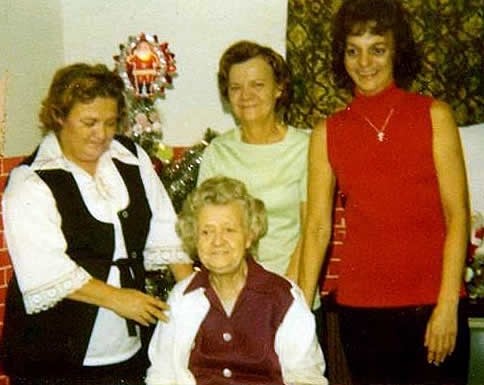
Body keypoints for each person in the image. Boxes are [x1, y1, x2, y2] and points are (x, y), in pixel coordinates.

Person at [299, 1, 470, 384]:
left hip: (432, 306)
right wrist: (299, 312)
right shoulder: (328, 131)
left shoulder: (434, 116)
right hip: (361, 311)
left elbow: (457, 215)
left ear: (396, 51)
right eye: (353, 50)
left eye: (377, 48)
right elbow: (316, 230)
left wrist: (446, 305)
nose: (364, 62)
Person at [1, 63, 192, 385]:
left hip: (125, 348)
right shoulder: (31, 180)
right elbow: (45, 269)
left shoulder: (130, 158)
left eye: (109, 123)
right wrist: (118, 299)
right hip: (54, 355)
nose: (101, 134)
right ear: (59, 117)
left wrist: (193, 296)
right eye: (89, 122)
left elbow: (165, 229)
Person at [145, 176, 328, 385]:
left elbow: (306, 377)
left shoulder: (283, 298)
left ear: (249, 235)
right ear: (194, 239)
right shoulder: (181, 297)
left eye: (229, 230)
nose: (217, 241)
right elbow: (162, 374)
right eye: (206, 231)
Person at [197, 40, 308, 283]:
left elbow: (312, 229)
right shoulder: (218, 152)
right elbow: (206, 230)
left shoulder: (305, 148)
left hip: (293, 286)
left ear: (279, 88)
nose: (246, 95)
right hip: (232, 292)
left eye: (257, 85)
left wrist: (286, 291)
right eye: (236, 87)